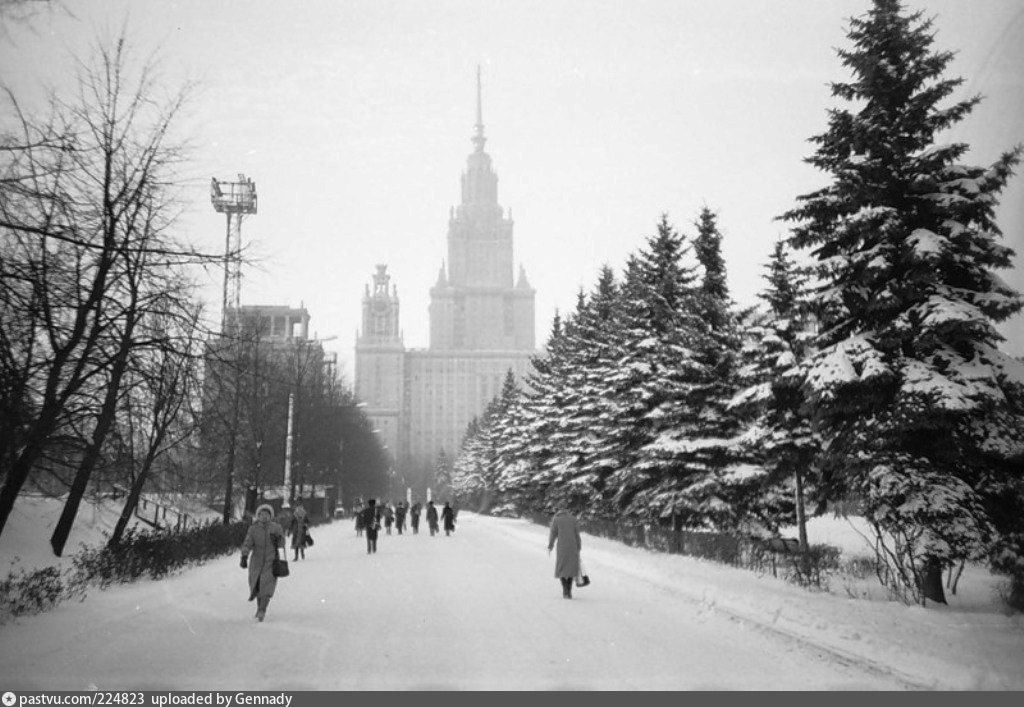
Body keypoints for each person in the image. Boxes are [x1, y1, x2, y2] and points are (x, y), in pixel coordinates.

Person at [240, 503, 286, 621]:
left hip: (271, 562)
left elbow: (282, 544)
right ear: (258, 515)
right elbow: (248, 542)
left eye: (266, 514)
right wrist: (244, 556)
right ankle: (259, 608)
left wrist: (278, 539)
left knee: (267, 586)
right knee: (258, 587)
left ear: (270, 516)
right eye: (261, 514)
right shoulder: (253, 529)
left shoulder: (276, 528)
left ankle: (262, 610)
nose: (264, 517)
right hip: (256, 562)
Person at [547, 508, 582, 599]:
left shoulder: (556, 519)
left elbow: (553, 534)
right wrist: (578, 546)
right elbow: (577, 535)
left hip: (562, 548)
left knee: (561, 568)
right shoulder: (573, 519)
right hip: (573, 547)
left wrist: (550, 546)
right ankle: (568, 590)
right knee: (570, 569)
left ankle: (565, 589)